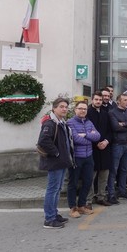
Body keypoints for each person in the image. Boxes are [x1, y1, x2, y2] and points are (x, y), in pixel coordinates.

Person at [38, 97, 74, 229]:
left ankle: (54, 214)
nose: (64, 109)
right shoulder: (50, 123)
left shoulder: (60, 122)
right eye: (61, 107)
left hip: (61, 162)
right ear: (54, 108)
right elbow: (43, 141)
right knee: (52, 189)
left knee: (57, 189)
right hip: (55, 162)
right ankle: (49, 219)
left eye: (66, 107)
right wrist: (57, 153)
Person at [66, 101, 100, 218]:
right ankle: (72, 208)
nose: (83, 111)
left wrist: (85, 135)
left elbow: (97, 136)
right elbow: (75, 139)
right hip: (76, 157)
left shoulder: (89, 122)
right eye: (80, 108)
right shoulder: (70, 123)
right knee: (73, 183)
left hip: (88, 157)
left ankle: (81, 205)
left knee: (88, 181)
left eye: (85, 109)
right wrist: (89, 137)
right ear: (75, 109)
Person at [107, 94, 127, 203]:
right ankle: (111, 194)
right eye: (125, 100)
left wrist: (123, 124)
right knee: (114, 170)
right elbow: (115, 127)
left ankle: (122, 190)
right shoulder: (112, 112)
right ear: (119, 101)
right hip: (117, 144)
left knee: (124, 169)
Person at [87, 91, 113, 207]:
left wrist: (106, 141)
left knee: (104, 175)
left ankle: (101, 197)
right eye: (96, 99)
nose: (98, 101)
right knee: (90, 177)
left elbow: (110, 131)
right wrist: (97, 142)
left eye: (100, 100)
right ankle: (88, 200)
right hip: (92, 148)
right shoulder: (87, 113)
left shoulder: (105, 113)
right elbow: (86, 131)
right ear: (92, 100)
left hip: (105, 148)